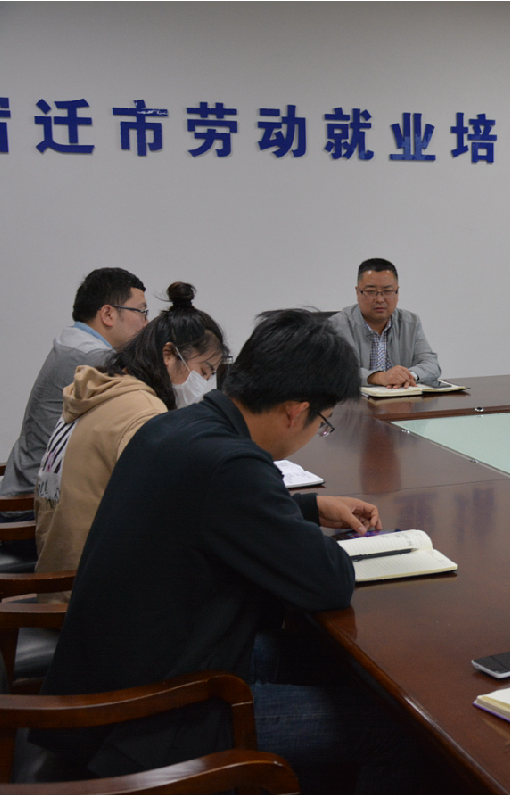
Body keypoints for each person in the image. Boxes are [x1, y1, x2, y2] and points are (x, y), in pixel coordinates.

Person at [35, 309, 404, 794]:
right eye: (323, 423)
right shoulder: (234, 466)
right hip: (154, 716)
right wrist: (292, 522)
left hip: (123, 674)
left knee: (330, 662)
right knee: (393, 728)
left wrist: (307, 508)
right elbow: (328, 581)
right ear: (296, 410)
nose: (317, 431)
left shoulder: (178, 426)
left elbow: (205, 517)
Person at [34, 282, 226, 599]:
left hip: (61, 578)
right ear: (169, 355)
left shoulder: (102, 387)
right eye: (204, 372)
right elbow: (168, 515)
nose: (205, 385)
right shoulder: (142, 413)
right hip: (92, 598)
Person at [0, 268, 147, 507]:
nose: (146, 323)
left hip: (28, 487)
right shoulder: (92, 358)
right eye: (141, 311)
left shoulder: (73, 342)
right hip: (34, 505)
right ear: (108, 314)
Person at [329, 257, 440, 387]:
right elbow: (335, 370)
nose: (380, 299)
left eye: (387, 291)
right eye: (371, 291)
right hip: (354, 399)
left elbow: (431, 364)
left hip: (400, 398)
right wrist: (378, 377)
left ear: (397, 293)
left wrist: (409, 376)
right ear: (358, 292)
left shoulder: (410, 323)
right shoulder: (337, 325)